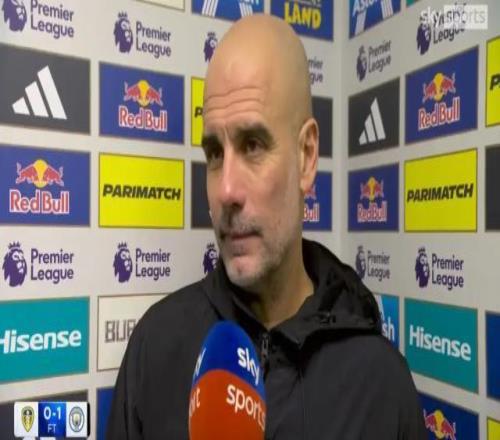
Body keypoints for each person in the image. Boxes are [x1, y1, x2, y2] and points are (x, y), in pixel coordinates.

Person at [107, 14, 426, 440]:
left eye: (253, 145)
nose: (226, 190)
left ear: (306, 157)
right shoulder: (155, 349)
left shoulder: (379, 382)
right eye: (215, 153)